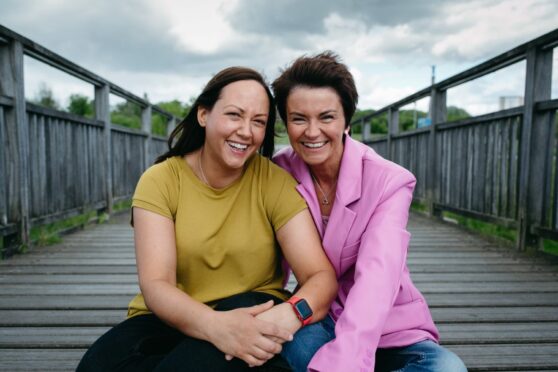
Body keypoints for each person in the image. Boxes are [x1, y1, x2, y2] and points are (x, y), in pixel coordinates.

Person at [77, 66, 338, 371]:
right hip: (171, 316)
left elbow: (320, 277)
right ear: (204, 114)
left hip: (252, 310)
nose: (245, 131)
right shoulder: (161, 180)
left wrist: (287, 316)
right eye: (234, 115)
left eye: (258, 122)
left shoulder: (274, 183)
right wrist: (216, 327)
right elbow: (157, 284)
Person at [273, 52, 468, 372]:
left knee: (448, 370)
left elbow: (378, 275)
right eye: (298, 118)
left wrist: (347, 363)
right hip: (321, 316)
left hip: (391, 324)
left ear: (346, 121)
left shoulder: (389, 180)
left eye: (326, 117)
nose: (312, 131)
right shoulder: (278, 171)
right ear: (285, 122)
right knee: (291, 351)